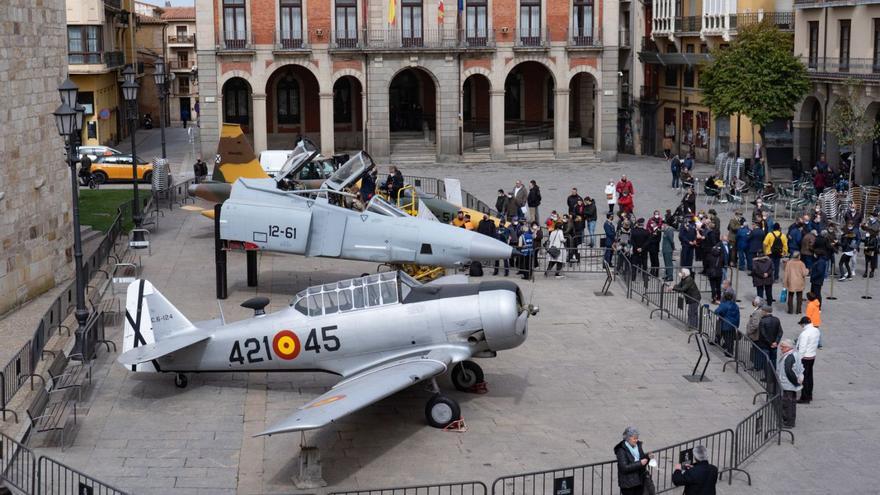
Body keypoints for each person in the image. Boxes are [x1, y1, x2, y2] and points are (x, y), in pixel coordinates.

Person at [614, 426, 652, 495]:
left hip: (639, 481)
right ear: (628, 438)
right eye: (634, 438)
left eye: (637, 438)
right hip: (628, 484)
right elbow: (624, 467)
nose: (636, 440)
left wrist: (648, 457)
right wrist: (640, 463)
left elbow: (642, 459)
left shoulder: (638, 446)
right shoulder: (621, 450)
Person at [777, 339, 804, 428]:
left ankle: (788, 422)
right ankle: (791, 420)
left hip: (788, 385)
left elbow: (789, 372)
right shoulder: (795, 354)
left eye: (783, 347)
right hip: (790, 384)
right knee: (791, 403)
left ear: (788, 347)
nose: (781, 348)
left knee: (787, 404)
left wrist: (795, 382)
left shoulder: (788, 357)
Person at [758, 305, 783, 387]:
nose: (761, 312)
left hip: (765, 345)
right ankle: (773, 377)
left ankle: (768, 378)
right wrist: (776, 342)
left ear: (765, 311)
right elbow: (780, 332)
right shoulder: (777, 320)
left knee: (766, 361)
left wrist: (770, 343)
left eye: (762, 310)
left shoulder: (762, 321)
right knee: (773, 361)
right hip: (774, 346)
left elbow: (763, 334)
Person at [796, 316, 819, 404]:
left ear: (804, 324)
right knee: (809, 376)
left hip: (805, 357)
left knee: (804, 377)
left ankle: (804, 397)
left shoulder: (805, 334)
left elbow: (802, 348)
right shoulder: (816, 330)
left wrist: (798, 358)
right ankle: (809, 394)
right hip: (812, 356)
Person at [714, 292, 739, 356]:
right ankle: (728, 349)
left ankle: (729, 352)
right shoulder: (735, 305)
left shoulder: (724, 305)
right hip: (733, 324)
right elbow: (738, 316)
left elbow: (717, 311)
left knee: (727, 338)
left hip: (726, 324)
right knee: (730, 338)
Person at [746, 297, 765, 370]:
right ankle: (758, 365)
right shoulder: (758, 310)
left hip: (756, 335)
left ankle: (757, 366)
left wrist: (749, 332)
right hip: (757, 335)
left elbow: (755, 324)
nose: (752, 301)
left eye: (753, 300)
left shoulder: (757, 312)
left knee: (757, 351)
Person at [646, 211, 663, 277]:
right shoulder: (651, 230)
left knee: (656, 260)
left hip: (655, 248)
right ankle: (652, 271)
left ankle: (656, 272)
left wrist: (650, 240)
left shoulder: (658, 230)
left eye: (653, 223)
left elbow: (658, 240)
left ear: (656, 223)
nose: (651, 224)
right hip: (650, 248)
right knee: (652, 260)